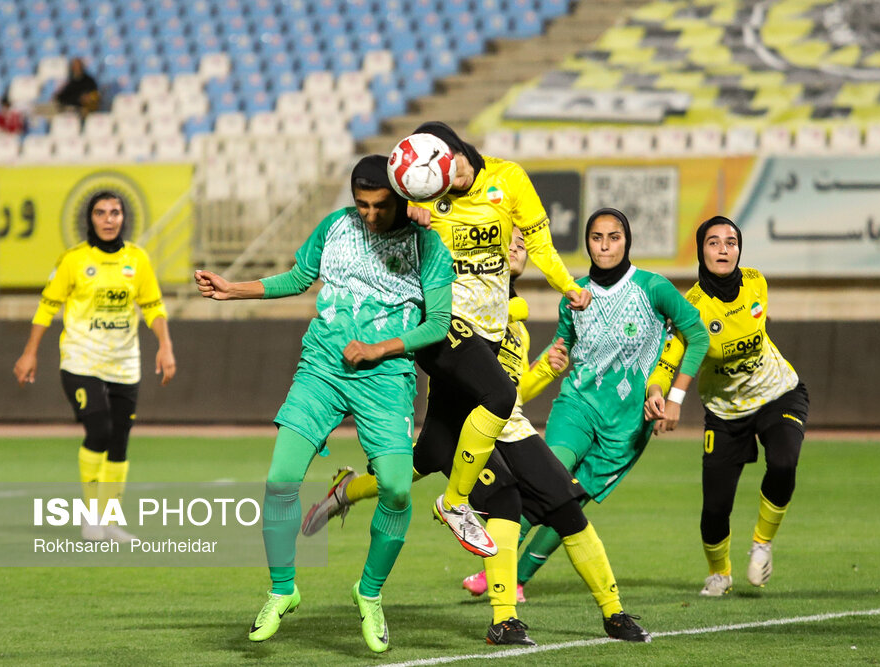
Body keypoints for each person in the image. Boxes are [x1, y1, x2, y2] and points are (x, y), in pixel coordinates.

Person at [302, 226, 651, 646]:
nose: (518, 246)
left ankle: (613, 613)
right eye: (509, 239)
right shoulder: (462, 299)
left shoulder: (515, 326)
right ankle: (504, 620)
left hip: (507, 427)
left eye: (524, 242)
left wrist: (544, 370)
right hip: (461, 427)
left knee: (565, 506)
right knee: (502, 499)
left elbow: (509, 394)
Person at [194, 155, 455, 653]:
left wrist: (379, 349)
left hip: (385, 377)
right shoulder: (336, 226)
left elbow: (437, 323)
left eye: (381, 205)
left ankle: (369, 593)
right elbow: (298, 278)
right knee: (280, 481)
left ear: (401, 198)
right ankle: (282, 590)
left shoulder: (427, 245)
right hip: (322, 369)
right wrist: (234, 290)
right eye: (362, 205)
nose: (371, 215)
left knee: (398, 490)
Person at [404, 121, 590, 558]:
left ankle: (348, 492)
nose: (446, 181)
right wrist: (410, 219)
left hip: (489, 331)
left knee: (429, 450)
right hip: (444, 324)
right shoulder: (424, 194)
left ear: (456, 150)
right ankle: (455, 503)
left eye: (450, 167)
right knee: (502, 395)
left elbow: (540, 242)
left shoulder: (507, 178)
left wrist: (567, 285)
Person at [509, 208, 710, 591]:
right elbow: (561, 346)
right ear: (587, 242)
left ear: (627, 241)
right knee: (549, 478)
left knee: (571, 501)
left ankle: (518, 580)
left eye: (613, 237)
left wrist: (675, 397)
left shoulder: (654, 288)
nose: (604, 245)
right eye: (596, 237)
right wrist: (555, 356)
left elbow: (698, 336)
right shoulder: (574, 293)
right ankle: (497, 568)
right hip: (578, 405)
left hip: (628, 423)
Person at [644, 215, 810, 597]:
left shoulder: (756, 281)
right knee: (715, 510)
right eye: (714, 242)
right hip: (724, 411)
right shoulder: (692, 307)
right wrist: (657, 390)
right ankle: (720, 573)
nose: (723, 249)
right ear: (701, 250)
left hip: (778, 391)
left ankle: (762, 543)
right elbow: (670, 359)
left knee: (784, 462)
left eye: (731, 241)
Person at [13, 191, 176, 543]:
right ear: (90, 219)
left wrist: (165, 346)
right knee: (99, 430)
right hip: (81, 358)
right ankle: (91, 517)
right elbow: (47, 306)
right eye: (100, 213)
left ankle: (110, 520)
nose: (107, 219)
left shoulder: (137, 259)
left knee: (119, 442)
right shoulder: (73, 260)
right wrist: (30, 352)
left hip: (124, 362)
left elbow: (152, 306)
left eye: (114, 212)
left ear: (123, 218)